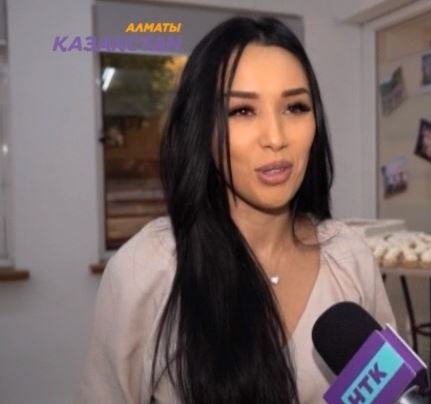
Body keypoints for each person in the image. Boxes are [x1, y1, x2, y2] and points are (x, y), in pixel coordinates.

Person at [76, 17, 395, 404]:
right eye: (242, 111)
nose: (275, 138)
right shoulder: (146, 270)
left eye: (295, 107)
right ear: (202, 127)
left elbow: (389, 392)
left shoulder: (349, 258)